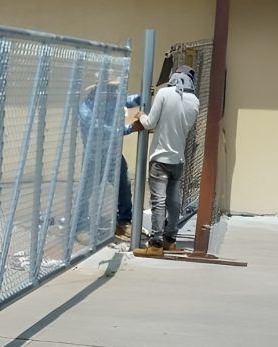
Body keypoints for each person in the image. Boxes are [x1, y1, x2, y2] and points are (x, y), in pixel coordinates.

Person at [132, 65, 200, 257]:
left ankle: (155, 244)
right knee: (174, 201)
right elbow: (179, 125)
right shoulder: (195, 101)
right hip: (178, 159)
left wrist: (141, 115)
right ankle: (170, 240)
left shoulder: (164, 93)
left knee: (158, 201)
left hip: (160, 159)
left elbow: (150, 123)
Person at [75, 81, 140, 244]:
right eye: (110, 89)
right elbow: (101, 130)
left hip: (113, 154)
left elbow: (130, 100)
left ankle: (123, 221)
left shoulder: (113, 100)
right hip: (94, 157)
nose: (114, 92)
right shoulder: (85, 108)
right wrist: (130, 128)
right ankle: (80, 226)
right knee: (86, 191)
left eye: (114, 89)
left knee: (124, 185)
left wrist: (145, 95)